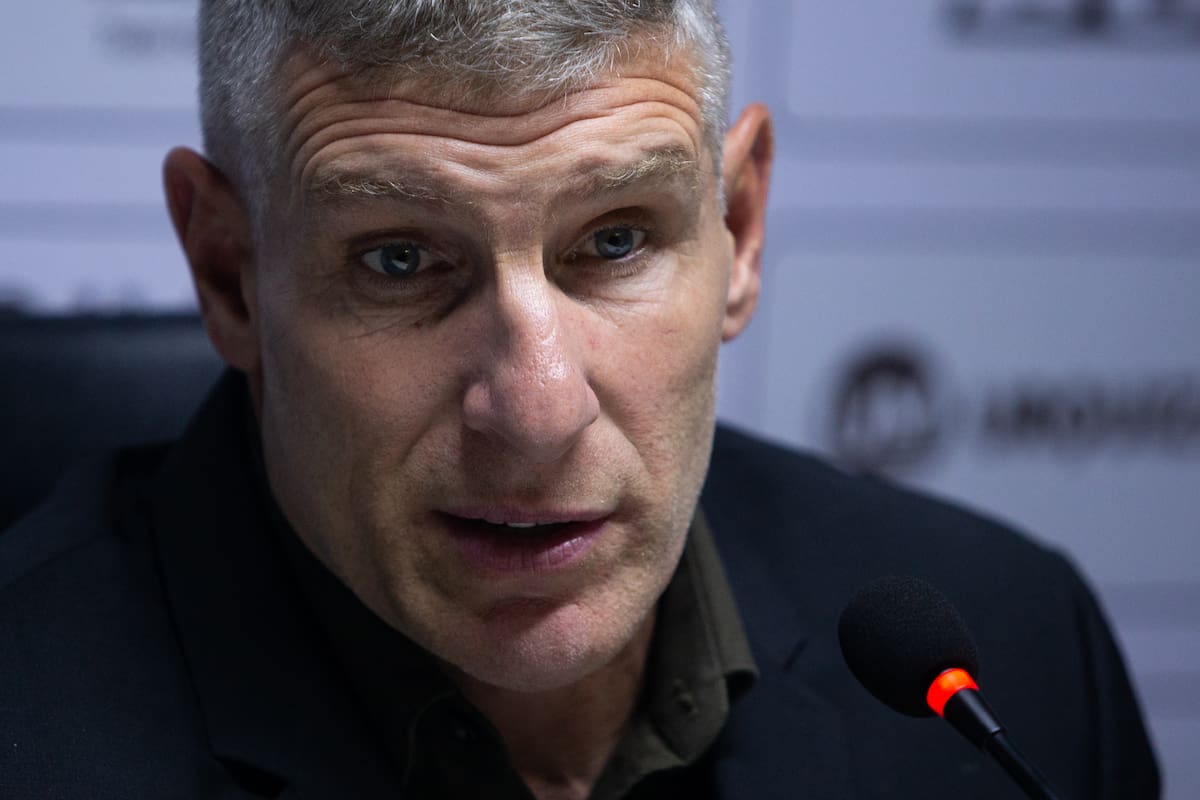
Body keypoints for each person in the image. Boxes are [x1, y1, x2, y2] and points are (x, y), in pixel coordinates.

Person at [0, 2, 1159, 798]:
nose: (539, 408)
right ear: (229, 273)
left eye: (613, 239)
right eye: (399, 259)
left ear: (739, 229)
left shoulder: (1017, 659)